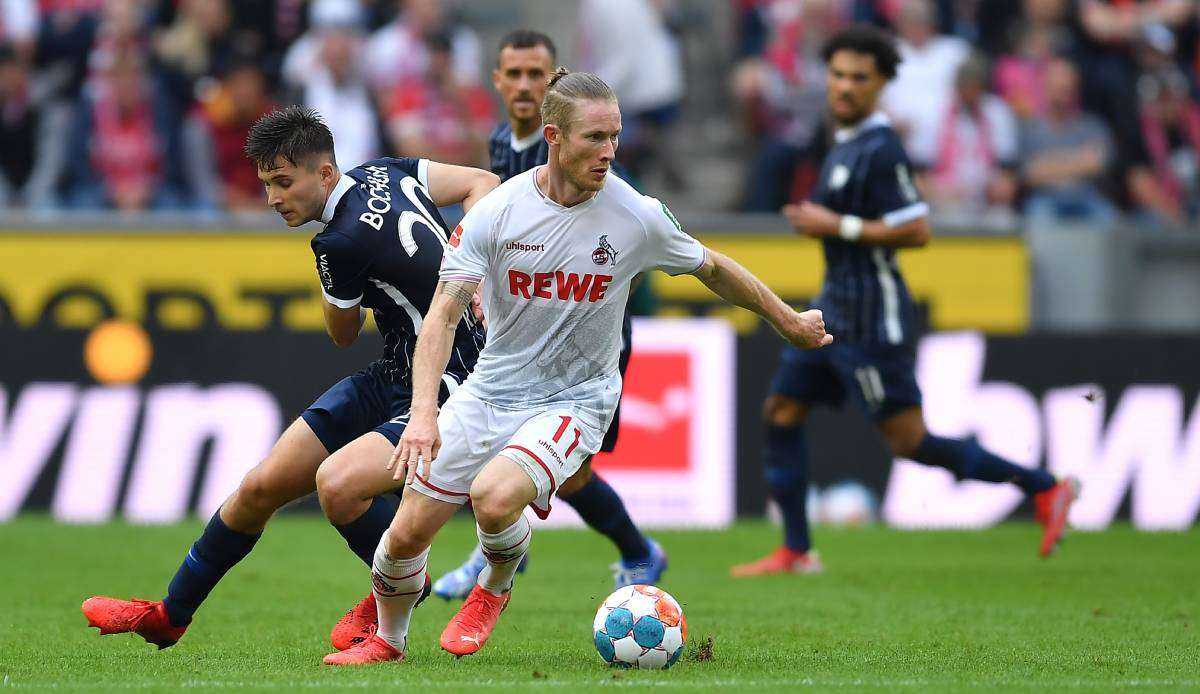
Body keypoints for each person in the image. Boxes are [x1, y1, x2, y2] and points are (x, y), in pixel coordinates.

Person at [322, 67, 831, 666]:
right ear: (554, 135)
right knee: (405, 533)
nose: (609, 152)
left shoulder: (635, 214)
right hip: (491, 389)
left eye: (615, 136)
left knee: (492, 496)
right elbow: (442, 315)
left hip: (576, 398)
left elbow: (712, 267)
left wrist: (787, 320)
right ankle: (389, 640)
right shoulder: (498, 211)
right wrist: (424, 415)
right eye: (595, 138)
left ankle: (494, 584)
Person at [81, 106, 499, 650]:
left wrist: (345, 284)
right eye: (266, 184)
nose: (274, 198)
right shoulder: (385, 171)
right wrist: (473, 264)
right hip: (395, 369)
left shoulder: (337, 244)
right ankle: (170, 614)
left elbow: (342, 332)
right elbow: (481, 183)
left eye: (284, 182)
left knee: (341, 488)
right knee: (259, 488)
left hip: (448, 382)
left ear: (325, 173)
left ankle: (400, 588)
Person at [732, 25, 1080, 578]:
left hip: (871, 317)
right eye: (839, 75)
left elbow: (916, 230)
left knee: (910, 442)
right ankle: (796, 550)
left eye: (859, 79)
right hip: (832, 306)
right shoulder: (842, 139)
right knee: (781, 411)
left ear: (882, 84)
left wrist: (835, 223)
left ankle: (1045, 487)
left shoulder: (881, 146)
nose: (845, 87)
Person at [430, 29, 668, 601]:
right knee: (501, 449)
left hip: (583, 337)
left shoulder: (574, 146)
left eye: (536, 74)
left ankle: (636, 551)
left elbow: (629, 225)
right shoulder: (502, 144)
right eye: (513, 74)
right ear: (497, 80)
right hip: (520, 331)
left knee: (568, 471)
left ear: (554, 79)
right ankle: (507, 553)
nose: (524, 86)